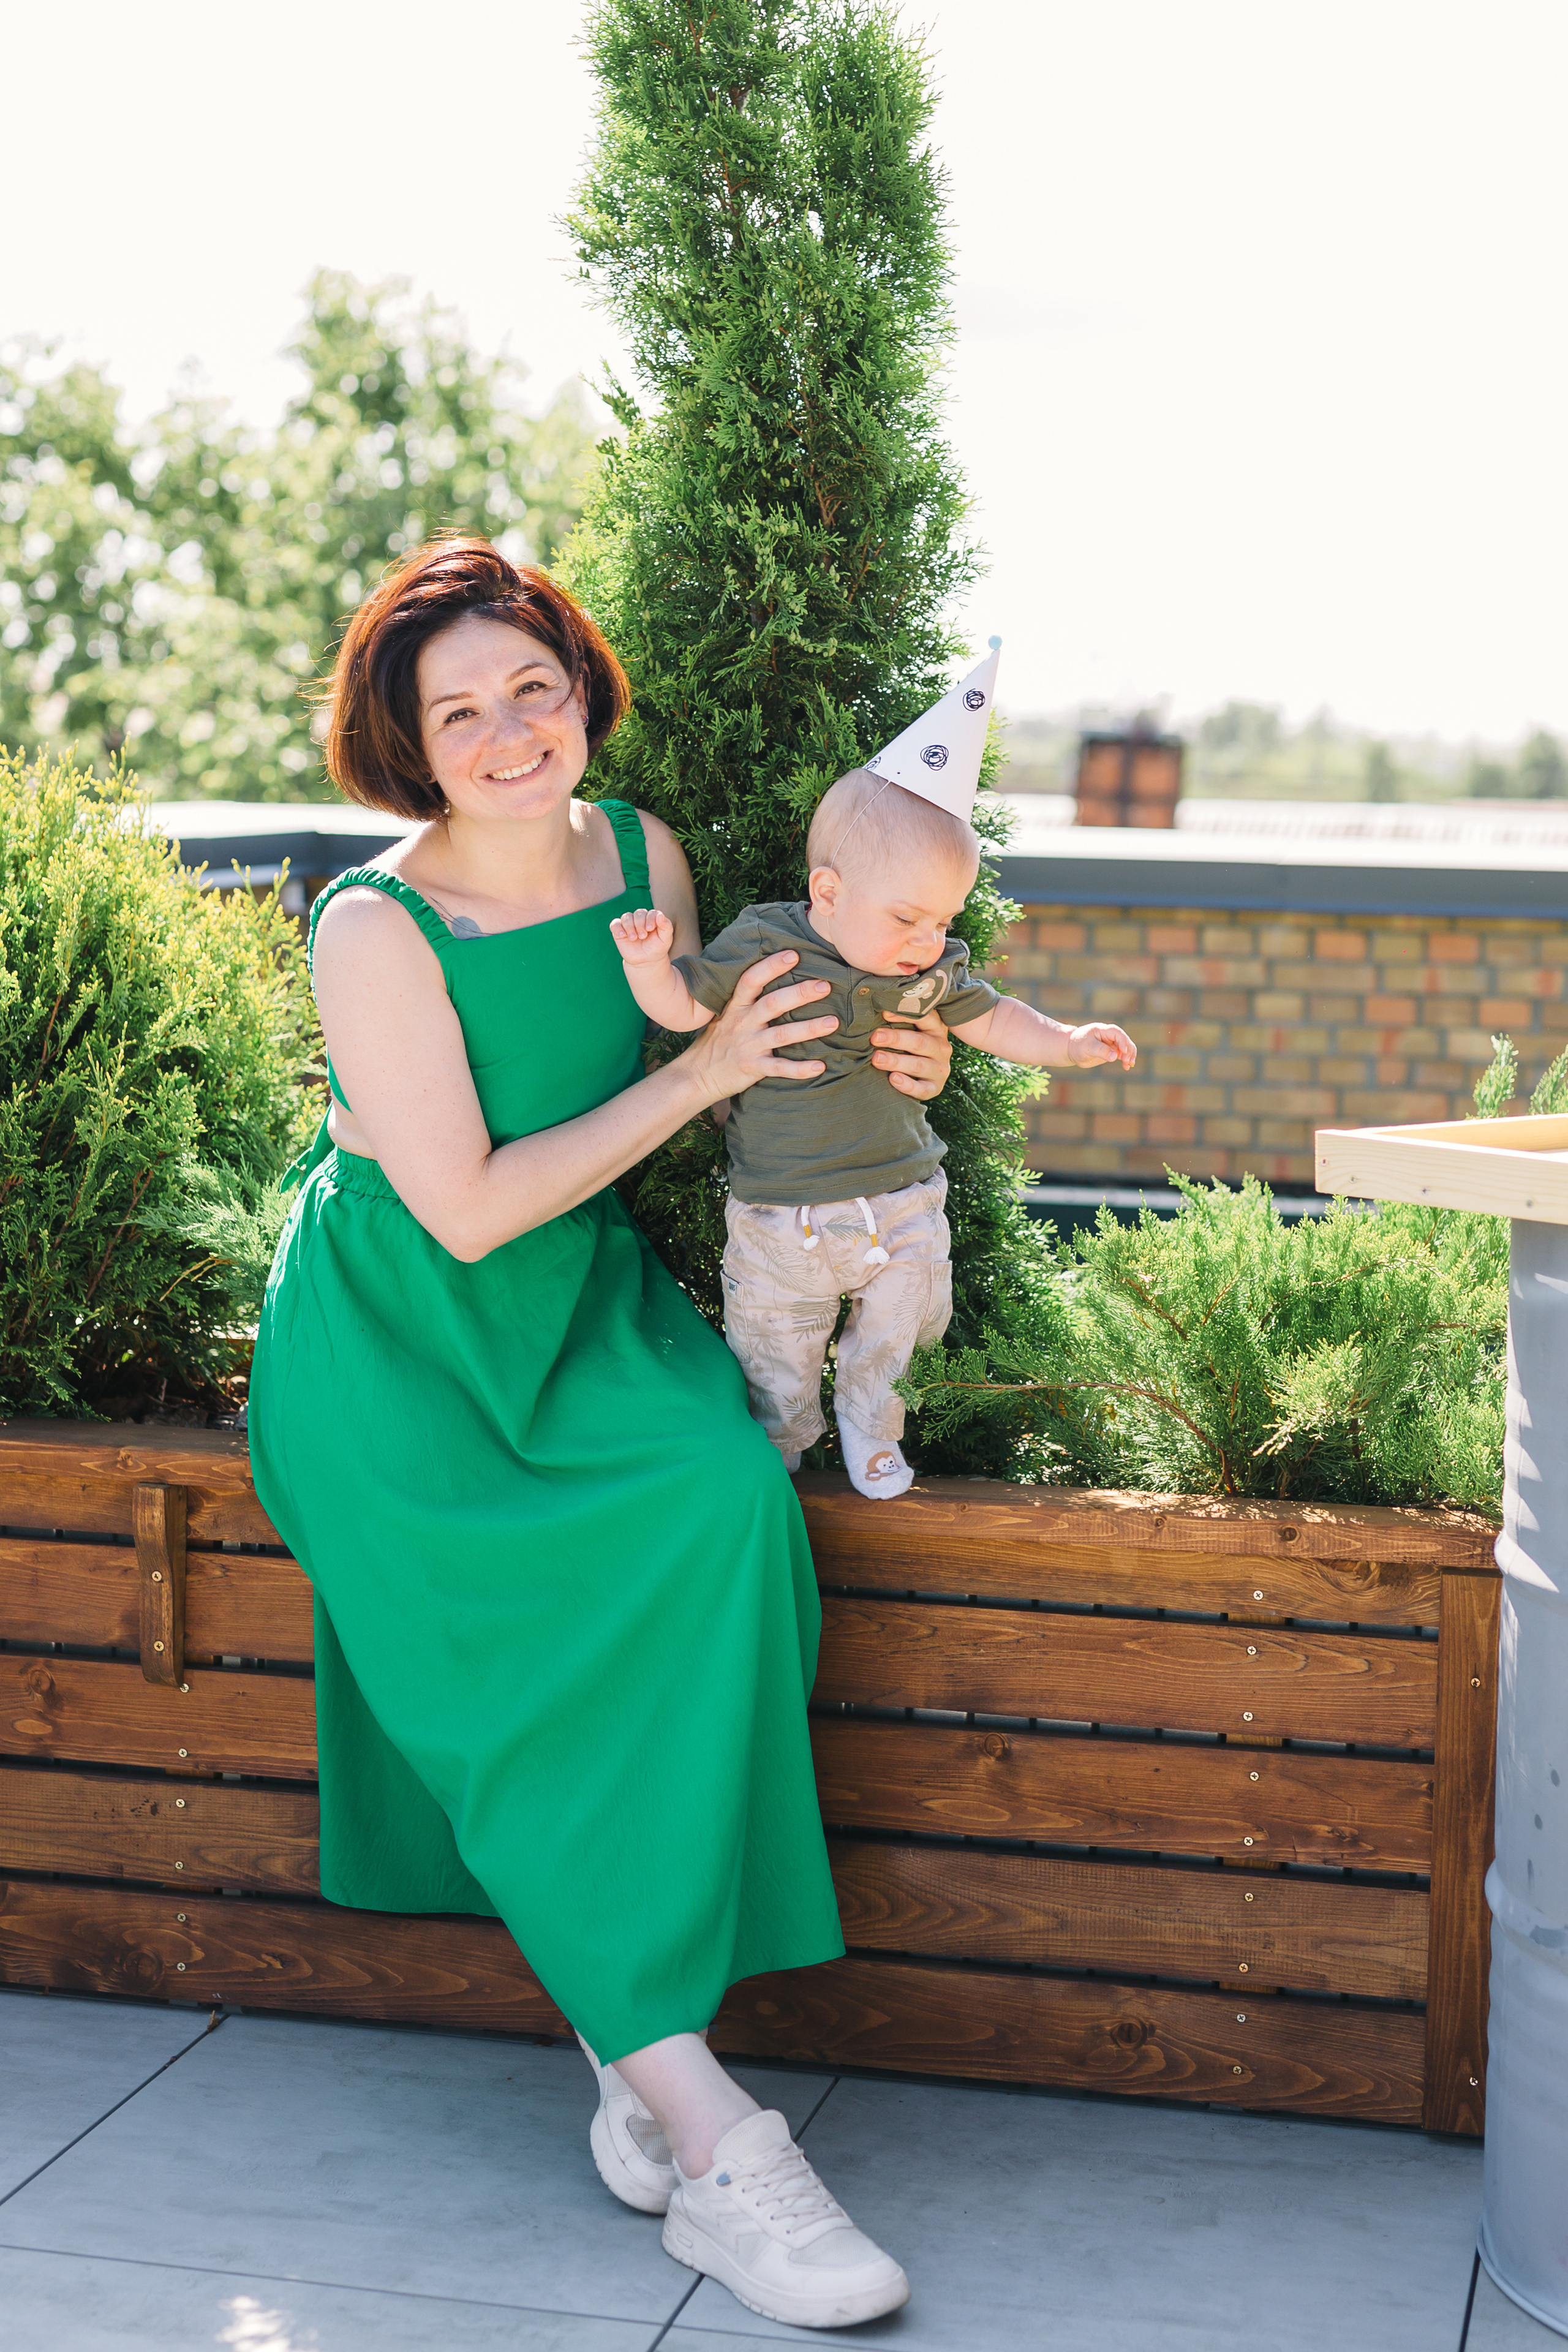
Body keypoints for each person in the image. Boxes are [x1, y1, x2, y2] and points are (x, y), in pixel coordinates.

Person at [247, 536, 957, 2330]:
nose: (505, 737)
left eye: (531, 689)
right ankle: (723, 2148)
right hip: (405, 1351)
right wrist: (700, 1077)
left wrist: (901, 1059)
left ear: (579, 685)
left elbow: (773, 1055)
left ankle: (628, 2057)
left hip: (587, 1311)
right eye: (458, 713)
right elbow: (470, 1206)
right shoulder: (376, 924)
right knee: (510, 1673)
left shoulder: (641, 852)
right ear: (408, 741)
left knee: (728, 1514)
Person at [611, 644, 1137, 1500]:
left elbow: (997, 1016)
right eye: (907, 917)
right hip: (780, 1214)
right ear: (826, 891)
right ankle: (777, 1442)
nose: (928, 941)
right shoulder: (764, 944)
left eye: (944, 919)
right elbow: (684, 1011)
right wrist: (646, 967)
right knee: (773, 1341)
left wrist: (1070, 1040)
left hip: (899, 1200)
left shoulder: (929, 972)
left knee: (899, 1322)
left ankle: (870, 1422)